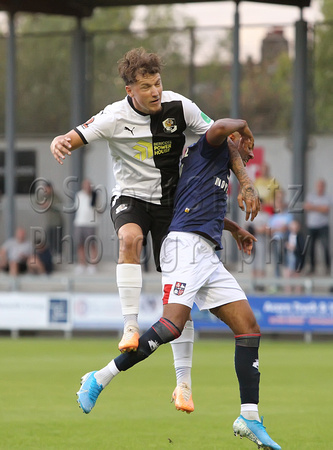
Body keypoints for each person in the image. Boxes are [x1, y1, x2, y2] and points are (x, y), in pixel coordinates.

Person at [50, 47, 260, 411]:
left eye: (158, 83)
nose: (155, 92)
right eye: (146, 86)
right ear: (129, 89)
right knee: (129, 238)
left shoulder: (181, 108)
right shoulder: (113, 116)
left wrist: (243, 183)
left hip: (171, 206)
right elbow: (74, 137)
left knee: (178, 299)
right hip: (131, 197)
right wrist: (60, 141)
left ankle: (183, 385)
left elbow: (221, 139)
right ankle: (130, 326)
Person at [76, 121, 280, 450]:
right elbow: (222, 125)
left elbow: (201, 210)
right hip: (183, 248)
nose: (251, 152)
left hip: (207, 256)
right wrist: (243, 132)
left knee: (249, 329)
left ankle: (249, 417)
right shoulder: (210, 146)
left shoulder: (215, 170)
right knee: (171, 325)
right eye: (248, 144)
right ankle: (99, 378)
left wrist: (234, 230)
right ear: (233, 140)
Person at [303, 179, 331, 275]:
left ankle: (327, 267)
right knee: (311, 247)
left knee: (325, 246)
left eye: (322, 186)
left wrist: (314, 207)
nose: (320, 188)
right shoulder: (311, 196)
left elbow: (326, 209)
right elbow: (306, 207)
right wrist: (319, 207)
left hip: (323, 226)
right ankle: (312, 267)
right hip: (312, 225)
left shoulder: (327, 197)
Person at [73, 178, 99, 274]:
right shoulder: (79, 195)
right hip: (80, 223)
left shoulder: (94, 195)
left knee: (92, 245)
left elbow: (97, 207)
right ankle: (81, 264)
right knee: (80, 244)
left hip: (91, 223)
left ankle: (93, 264)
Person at [268, 189, 292, 280]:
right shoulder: (273, 217)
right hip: (275, 241)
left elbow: (286, 228)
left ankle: (287, 280)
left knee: (286, 261)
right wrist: (279, 229)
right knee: (276, 262)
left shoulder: (288, 216)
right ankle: (277, 280)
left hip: (285, 241)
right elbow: (269, 230)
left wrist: (276, 229)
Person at [284, 219, 306, 294]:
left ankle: (298, 292)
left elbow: (302, 249)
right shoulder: (287, 236)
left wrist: (294, 248)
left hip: (297, 259)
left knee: (297, 276)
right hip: (289, 257)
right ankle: (288, 291)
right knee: (288, 275)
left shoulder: (300, 237)